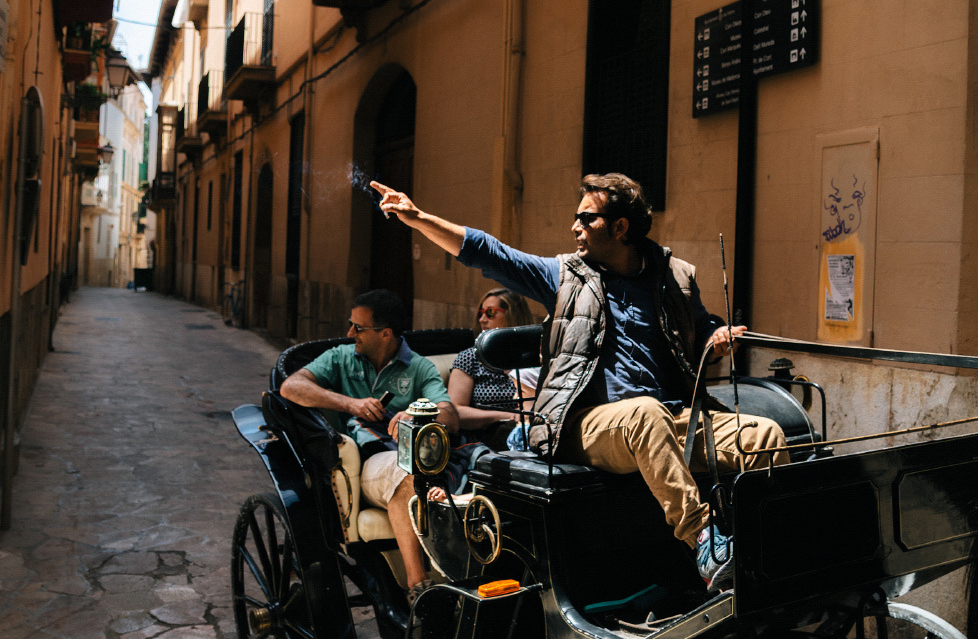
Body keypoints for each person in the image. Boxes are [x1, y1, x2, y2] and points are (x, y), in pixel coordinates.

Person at [370, 174, 789, 591]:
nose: (575, 227)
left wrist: (716, 338)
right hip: (583, 424)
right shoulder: (567, 276)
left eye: (586, 219)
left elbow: (700, 328)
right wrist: (418, 217)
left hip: (669, 417)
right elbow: (490, 253)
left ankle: (765, 554)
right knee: (644, 415)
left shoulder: (673, 275)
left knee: (764, 434)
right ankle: (704, 541)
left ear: (620, 227)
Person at [279, 289, 458, 603]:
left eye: (358, 328)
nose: (350, 333)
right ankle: (418, 588)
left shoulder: (418, 367)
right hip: (365, 461)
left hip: (411, 456)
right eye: (352, 325)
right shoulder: (340, 357)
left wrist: (414, 414)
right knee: (404, 473)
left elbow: (450, 415)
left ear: (385, 334)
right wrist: (350, 404)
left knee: (418, 468)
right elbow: (291, 386)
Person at [449, 287, 535, 451]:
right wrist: (506, 416)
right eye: (480, 313)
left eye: (490, 313)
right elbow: (455, 411)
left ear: (512, 315)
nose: (482, 319)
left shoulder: (531, 358)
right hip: (482, 439)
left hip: (526, 431)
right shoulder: (469, 358)